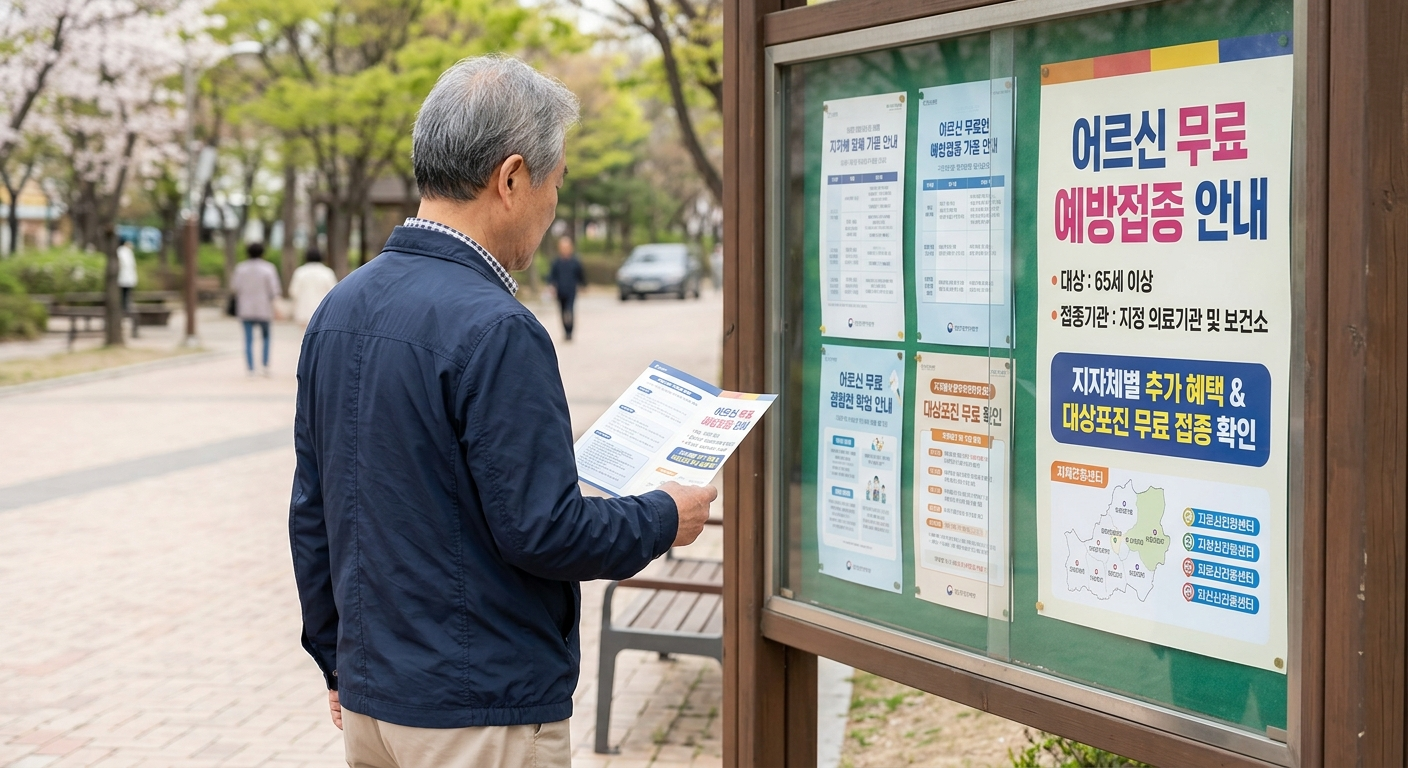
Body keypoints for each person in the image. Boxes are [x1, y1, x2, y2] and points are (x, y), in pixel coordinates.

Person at [289, 55, 716, 768]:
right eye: (557, 182)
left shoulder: (340, 307)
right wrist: (666, 515)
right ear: (512, 177)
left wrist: (337, 663)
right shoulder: (497, 327)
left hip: (373, 702)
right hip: (480, 708)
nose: (554, 206)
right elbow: (546, 533)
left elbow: (313, 512)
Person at [230, 242, 280, 377]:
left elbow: (235, 287)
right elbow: (274, 290)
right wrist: (277, 308)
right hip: (264, 308)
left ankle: (250, 368)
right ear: (263, 253)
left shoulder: (241, 268)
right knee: (266, 337)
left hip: (245, 309)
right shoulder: (269, 268)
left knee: (248, 339)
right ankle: (264, 365)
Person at [546, 234, 586, 340]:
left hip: (571, 290)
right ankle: (565, 331)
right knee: (563, 311)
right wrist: (551, 286)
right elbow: (552, 276)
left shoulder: (575, 262)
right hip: (560, 290)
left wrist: (583, 285)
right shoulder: (556, 262)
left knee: (570, 310)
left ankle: (570, 331)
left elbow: (580, 275)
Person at [288, 248, 338, 326]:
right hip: (322, 311)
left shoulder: (300, 272)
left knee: (304, 335)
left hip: (303, 311)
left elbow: (293, 291)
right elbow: (334, 293)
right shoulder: (327, 273)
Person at [116, 239, 137, 311]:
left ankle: (126, 306)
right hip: (124, 275)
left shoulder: (128, 251)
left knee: (127, 292)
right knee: (123, 292)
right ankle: (124, 307)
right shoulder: (121, 251)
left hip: (127, 276)